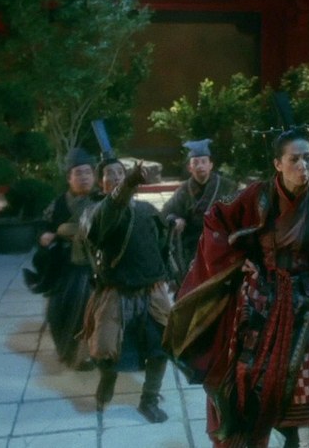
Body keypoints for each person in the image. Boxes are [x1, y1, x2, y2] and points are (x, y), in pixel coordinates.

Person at [163, 130, 309, 448]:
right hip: (261, 298)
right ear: (278, 164)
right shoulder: (255, 197)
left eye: (307, 158)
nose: (303, 166)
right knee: (248, 384)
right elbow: (215, 220)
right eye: (294, 159)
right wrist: (238, 260)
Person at [80, 157, 173, 423]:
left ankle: (149, 400)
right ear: (101, 182)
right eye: (109, 174)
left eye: (121, 172)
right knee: (107, 351)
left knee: (161, 348)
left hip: (152, 292)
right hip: (115, 294)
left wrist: (169, 275)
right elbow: (112, 209)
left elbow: (162, 246)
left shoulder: (147, 210)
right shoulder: (95, 212)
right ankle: (107, 381)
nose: (116, 177)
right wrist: (129, 183)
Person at [23, 147, 99, 371]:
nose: (84, 177)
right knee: (57, 311)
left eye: (88, 172)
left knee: (92, 310)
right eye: (78, 173)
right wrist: (44, 235)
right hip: (65, 265)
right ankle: (67, 351)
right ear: (69, 178)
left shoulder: (102, 200)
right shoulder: (58, 204)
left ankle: (87, 355)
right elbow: (42, 225)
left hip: (94, 265)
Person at [161, 139, 237, 285]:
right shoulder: (184, 190)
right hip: (192, 243)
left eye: (203, 162)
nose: (200, 166)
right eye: (195, 163)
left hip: (221, 240)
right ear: (190, 168)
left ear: (211, 165)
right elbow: (166, 213)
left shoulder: (227, 186)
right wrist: (175, 219)